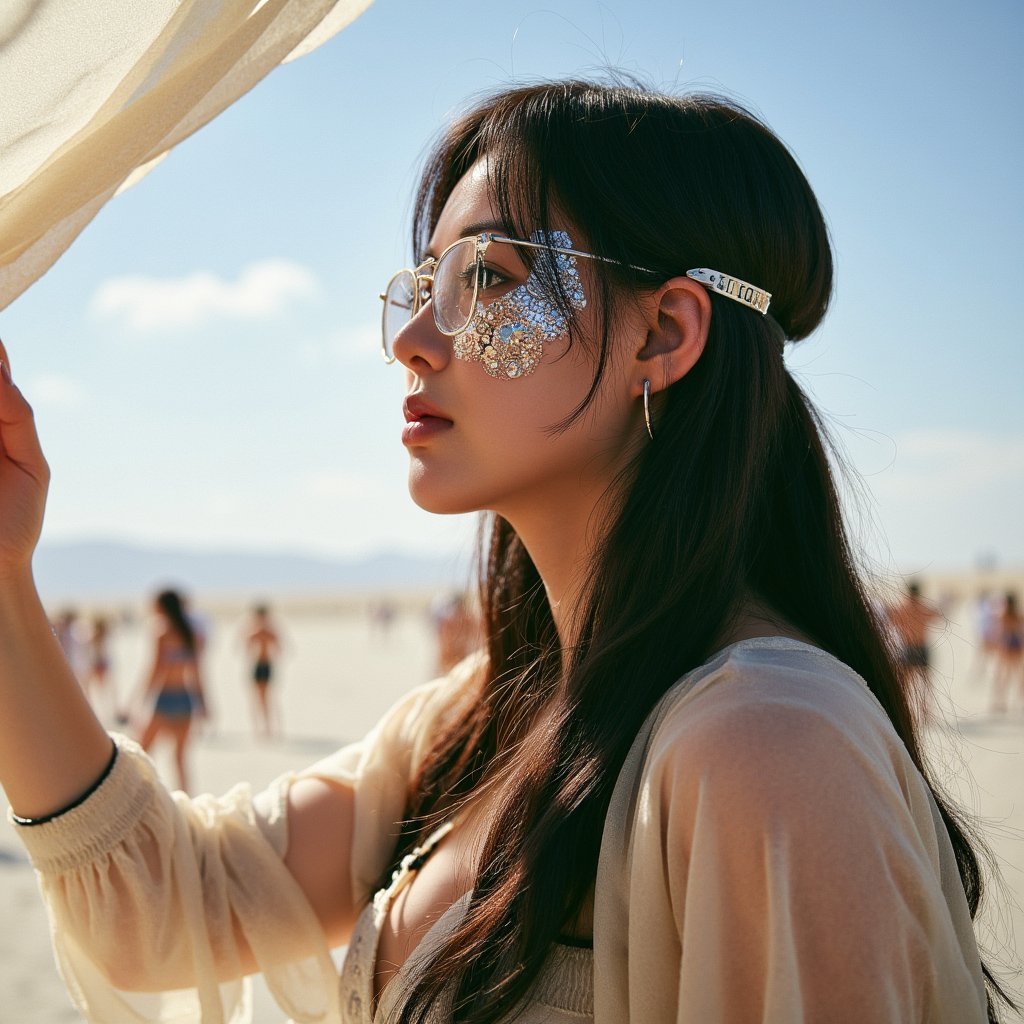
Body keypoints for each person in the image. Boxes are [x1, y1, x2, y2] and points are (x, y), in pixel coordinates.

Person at [0, 80, 1015, 1023]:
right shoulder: (479, 722)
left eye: (486, 277)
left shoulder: (763, 740)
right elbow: (167, 904)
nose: (412, 339)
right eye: (423, 284)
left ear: (663, 335)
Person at [134, 588, 207, 792]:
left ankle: (142, 799)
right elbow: (198, 673)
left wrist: (137, 700)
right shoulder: (192, 633)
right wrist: (204, 703)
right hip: (186, 699)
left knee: (142, 753)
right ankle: (187, 803)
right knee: (180, 758)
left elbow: (155, 669)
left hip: (164, 698)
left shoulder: (161, 632)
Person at [885, 578, 941, 718]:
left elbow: (890, 620)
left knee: (905, 684)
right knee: (924, 683)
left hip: (907, 648)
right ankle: (925, 710)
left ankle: (905, 710)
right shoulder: (923, 608)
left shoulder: (901, 608)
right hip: (922, 648)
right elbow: (937, 616)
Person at [244, 602, 282, 740]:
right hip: (257, 665)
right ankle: (258, 729)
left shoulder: (270, 631)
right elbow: (246, 648)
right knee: (256, 698)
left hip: (266, 665)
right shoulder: (252, 630)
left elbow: (278, 649)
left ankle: (269, 728)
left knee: (268, 698)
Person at [991, 591, 1023, 714]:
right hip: (1017, 646)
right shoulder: (1018, 615)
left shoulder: (1004, 615)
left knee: (1004, 676)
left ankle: (1001, 702)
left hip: (1007, 646)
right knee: (1018, 675)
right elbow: (1020, 633)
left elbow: (1000, 633)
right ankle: (1008, 701)